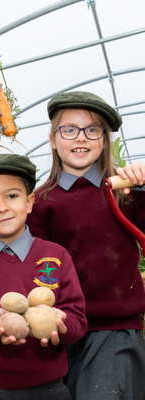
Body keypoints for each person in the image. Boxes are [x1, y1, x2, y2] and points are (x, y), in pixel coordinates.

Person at [26, 91, 145, 400]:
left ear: (104, 141)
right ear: (53, 139)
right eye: (69, 129)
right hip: (62, 330)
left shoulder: (123, 190)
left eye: (92, 129)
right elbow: (40, 269)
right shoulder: (40, 203)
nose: (81, 137)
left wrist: (143, 188)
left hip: (115, 329)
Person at [0, 153, 88, 400]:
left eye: (12, 196)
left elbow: (78, 322)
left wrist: (60, 322)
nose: (2, 207)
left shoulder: (57, 255)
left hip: (48, 390)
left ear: (30, 202)